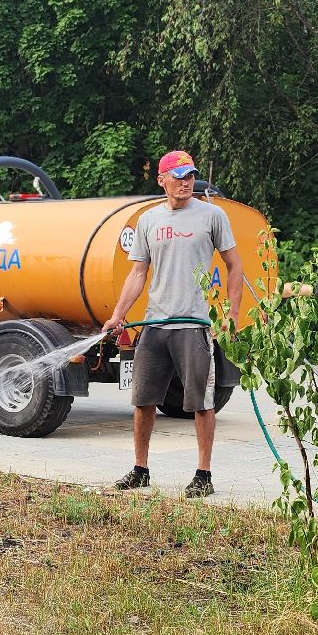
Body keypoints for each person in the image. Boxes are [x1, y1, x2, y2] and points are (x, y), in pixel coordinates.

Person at [101, 150, 241, 499]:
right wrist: (118, 315)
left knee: (201, 402)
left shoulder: (212, 215)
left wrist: (232, 316)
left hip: (193, 324)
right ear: (162, 180)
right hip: (155, 324)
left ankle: (203, 474)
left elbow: (234, 267)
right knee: (143, 401)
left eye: (190, 175)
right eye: (178, 176)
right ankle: (140, 470)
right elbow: (138, 273)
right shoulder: (148, 220)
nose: (186, 182)